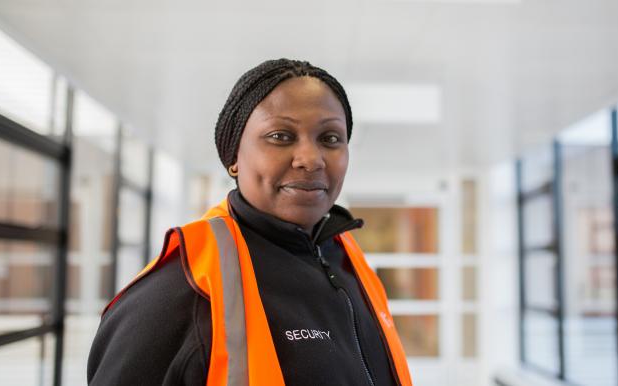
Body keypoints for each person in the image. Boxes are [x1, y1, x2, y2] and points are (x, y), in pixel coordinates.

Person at [87, 59, 413, 386]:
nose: (311, 160)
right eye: (281, 136)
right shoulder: (183, 287)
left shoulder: (345, 259)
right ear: (233, 158)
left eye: (329, 138)